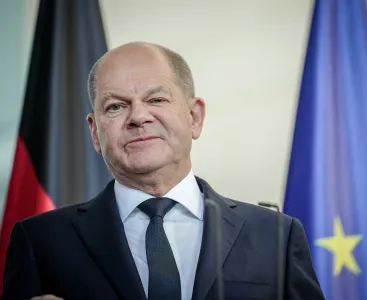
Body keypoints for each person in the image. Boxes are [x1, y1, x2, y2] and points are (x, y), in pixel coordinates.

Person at [0, 42, 324, 300]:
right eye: (115, 106)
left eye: (156, 99)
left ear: (194, 117)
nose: (138, 116)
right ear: (95, 132)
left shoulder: (276, 235)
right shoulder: (40, 240)